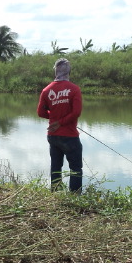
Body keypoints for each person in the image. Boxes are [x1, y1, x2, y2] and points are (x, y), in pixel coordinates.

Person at [37, 58, 83, 193]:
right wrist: (61, 122)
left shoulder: (46, 90)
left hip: (53, 135)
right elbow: (76, 112)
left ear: (55, 71)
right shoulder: (74, 89)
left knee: (56, 167)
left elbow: (40, 112)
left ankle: (55, 193)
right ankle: (75, 196)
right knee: (75, 168)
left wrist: (55, 119)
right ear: (69, 72)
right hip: (70, 136)